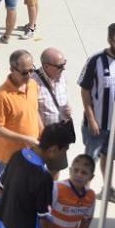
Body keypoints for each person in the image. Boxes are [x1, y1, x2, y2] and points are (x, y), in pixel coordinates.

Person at [78, 23, 115, 205]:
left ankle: (107, 189)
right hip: (97, 125)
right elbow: (85, 91)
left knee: (108, 158)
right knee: (89, 160)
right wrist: (91, 119)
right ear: (109, 41)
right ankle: (80, 194)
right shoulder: (96, 61)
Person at [0, 50, 42, 228]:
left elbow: (34, 112)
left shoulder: (33, 86)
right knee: (2, 195)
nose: (29, 75)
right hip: (9, 158)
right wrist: (25, 138)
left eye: (32, 70)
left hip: (31, 154)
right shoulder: (2, 96)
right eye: (25, 72)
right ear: (12, 69)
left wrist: (41, 135)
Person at [33, 48, 72, 177]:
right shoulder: (33, 82)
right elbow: (31, 110)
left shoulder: (62, 78)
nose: (63, 69)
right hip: (40, 137)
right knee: (35, 170)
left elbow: (63, 98)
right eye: (60, 66)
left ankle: (50, 193)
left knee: (55, 169)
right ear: (46, 66)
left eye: (64, 64)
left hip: (58, 135)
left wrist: (67, 109)